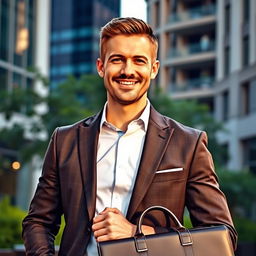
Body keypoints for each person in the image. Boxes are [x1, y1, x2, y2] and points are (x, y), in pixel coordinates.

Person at [22, 17, 237, 256]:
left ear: (153, 69)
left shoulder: (188, 143)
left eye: (139, 61)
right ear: (101, 67)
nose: (128, 70)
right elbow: (38, 222)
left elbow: (222, 235)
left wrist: (138, 232)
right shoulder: (65, 140)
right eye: (117, 60)